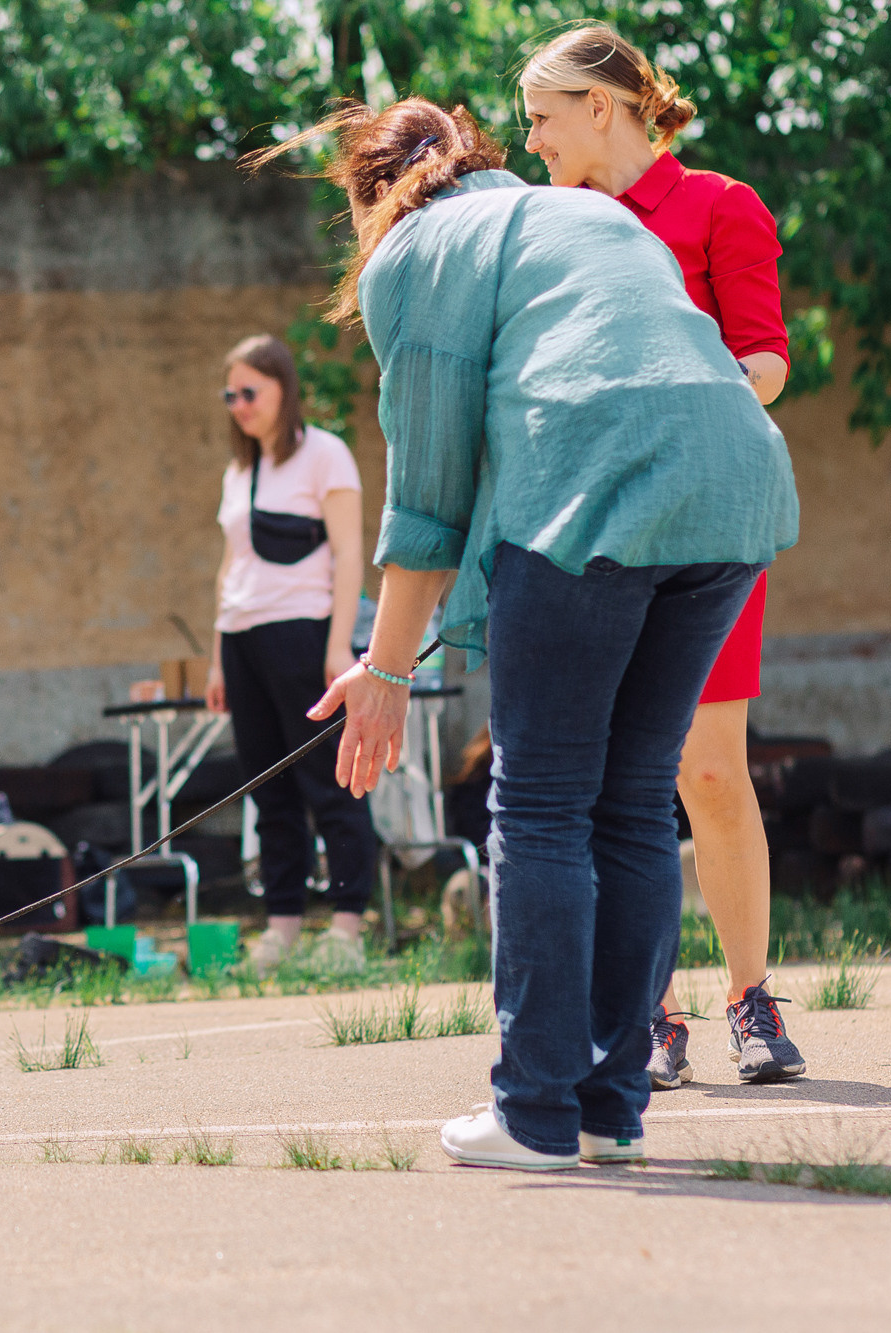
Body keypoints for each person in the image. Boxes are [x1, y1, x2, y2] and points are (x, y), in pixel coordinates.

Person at [257, 97, 796, 1170]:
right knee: (635, 801)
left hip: (600, 492)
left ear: (371, 195)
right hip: (734, 485)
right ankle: (608, 1111)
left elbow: (427, 496)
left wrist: (384, 670)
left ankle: (534, 1112)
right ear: (477, 158)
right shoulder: (577, 213)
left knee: (540, 804)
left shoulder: (410, 255)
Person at [520, 24, 805, 1087]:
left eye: (543, 117)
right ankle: (653, 1015)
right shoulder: (550, 228)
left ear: (603, 107)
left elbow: (767, 363)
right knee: (609, 777)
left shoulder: (718, 205)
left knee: (706, 768)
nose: (532, 141)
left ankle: (749, 999)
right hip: (596, 526)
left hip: (707, 517)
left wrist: (672, 400)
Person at [202, 334, 377, 974]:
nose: (240, 405)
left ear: (283, 388)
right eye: (231, 395)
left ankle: (348, 926)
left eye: (251, 391)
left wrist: (339, 644)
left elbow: (349, 553)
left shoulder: (324, 455)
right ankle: (282, 926)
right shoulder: (239, 470)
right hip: (244, 637)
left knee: (330, 781)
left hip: (305, 633)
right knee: (267, 788)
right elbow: (231, 567)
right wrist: (221, 657)